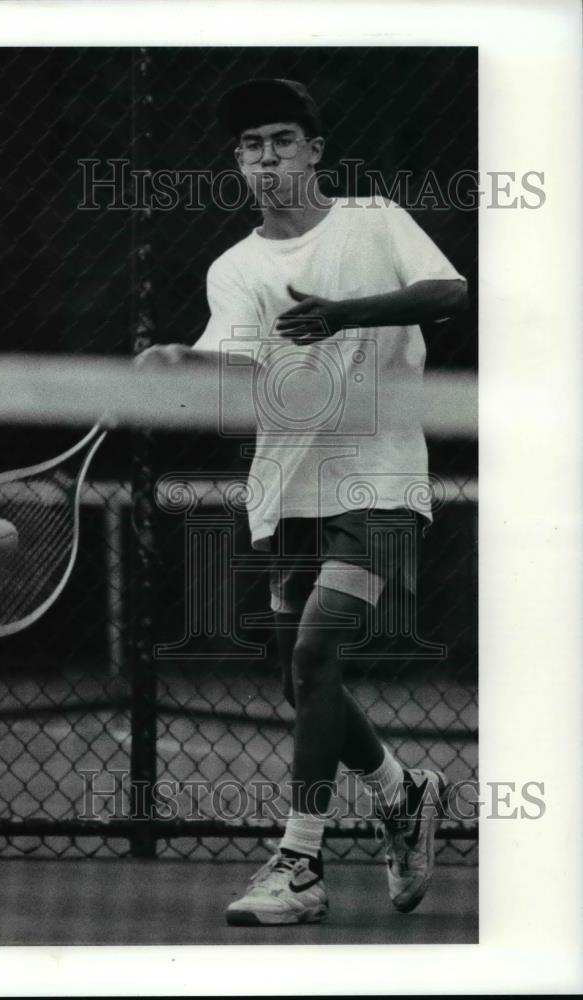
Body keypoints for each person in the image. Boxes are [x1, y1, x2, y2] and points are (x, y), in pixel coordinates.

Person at [138, 78, 468, 925]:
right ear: (236, 163)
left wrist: (343, 314)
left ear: (314, 150)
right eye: (250, 146)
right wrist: (183, 361)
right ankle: (401, 793)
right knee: (301, 679)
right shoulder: (236, 267)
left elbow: (446, 292)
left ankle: (298, 865)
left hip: (381, 482)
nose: (266, 157)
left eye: (282, 139)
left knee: (317, 654)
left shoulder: (374, 220)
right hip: (287, 492)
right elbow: (240, 367)